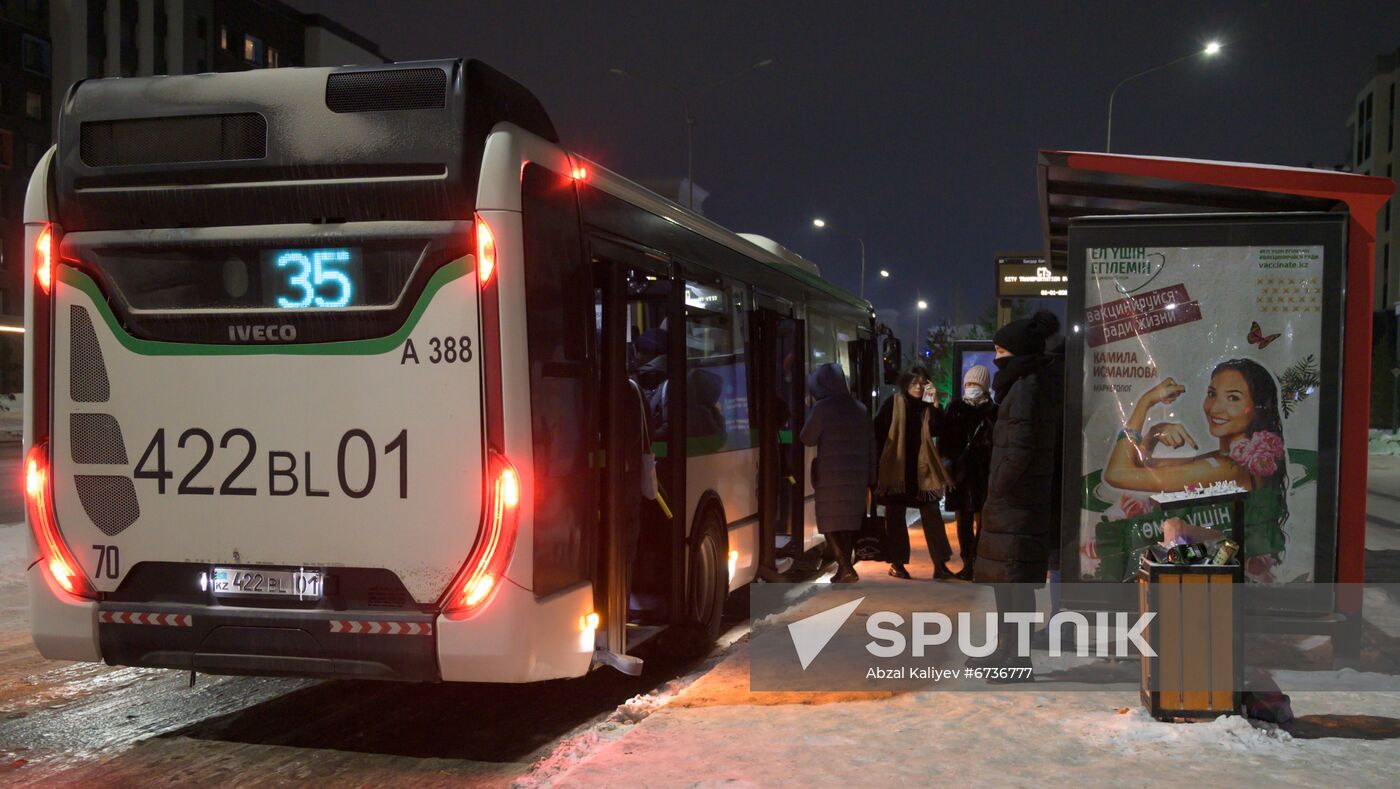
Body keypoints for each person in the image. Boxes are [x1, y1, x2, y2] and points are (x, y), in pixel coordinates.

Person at [1101, 357, 1288, 582]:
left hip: (1215, 587)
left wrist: (1146, 402)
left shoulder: (1229, 469)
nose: (1216, 407)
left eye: (1233, 398)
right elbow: (1140, 468)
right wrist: (1154, 433)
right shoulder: (1222, 461)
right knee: (1164, 549)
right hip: (1212, 574)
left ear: (1257, 409)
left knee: (1167, 545)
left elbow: (1118, 474)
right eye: (1212, 394)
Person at [972, 310, 1062, 677]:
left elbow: (1021, 448)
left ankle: (1017, 656)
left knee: (1016, 584)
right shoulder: (1022, 382)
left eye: (1000, 349)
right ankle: (1005, 649)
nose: (996, 356)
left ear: (1018, 351)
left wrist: (999, 486)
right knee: (1006, 582)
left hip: (1018, 501)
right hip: (1013, 502)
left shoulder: (1028, 386)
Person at [874, 368, 955, 580]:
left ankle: (940, 564)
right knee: (895, 516)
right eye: (914, 383)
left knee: (932, 514)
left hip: (922, 471)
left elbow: (940, 430)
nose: (918, 387)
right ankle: (897, 563)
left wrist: (935, 404)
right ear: (905, 385)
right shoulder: (893, 403)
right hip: (897, 470)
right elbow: (878, 433)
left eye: (922, 383)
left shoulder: (928, 407)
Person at [800, 363, 876, 583]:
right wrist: (872, 478)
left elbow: (807, 438)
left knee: (828, 521)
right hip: (857, 477)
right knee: (848, 523)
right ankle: (845, 567)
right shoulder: (860, 408)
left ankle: (845, 566)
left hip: (830, 477)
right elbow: (872, 445)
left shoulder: (822, 408)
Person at [939, 364, 996, 580]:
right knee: (963, 521)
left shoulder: (993, 411)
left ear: (985, 387)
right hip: (960, 475)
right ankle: (967, 563)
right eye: (969, 384)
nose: (971, 388)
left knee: (984, 521)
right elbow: (944, 443)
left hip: (984, 474)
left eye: (976, 384)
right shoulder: (955, 409)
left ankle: (977, 561)